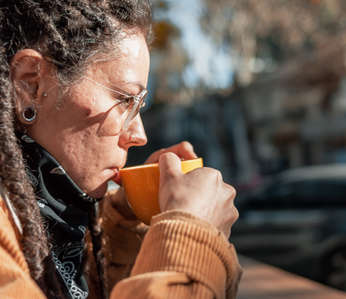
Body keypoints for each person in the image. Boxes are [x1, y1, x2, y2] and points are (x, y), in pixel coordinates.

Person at [0, 1, 241, 298]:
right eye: (125, 99)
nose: (139, 135)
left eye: (139, 106)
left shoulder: (62, 222)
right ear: (30, 85)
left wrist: (124, 224)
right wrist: (191, 240)